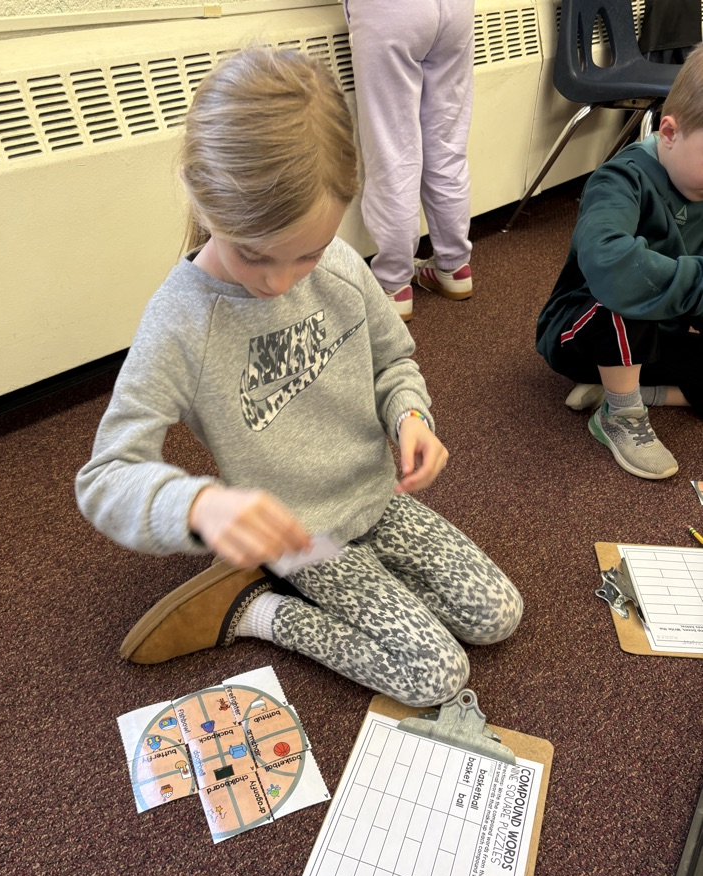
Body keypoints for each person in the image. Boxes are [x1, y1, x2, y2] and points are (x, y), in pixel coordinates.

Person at [75, 47, 522, 708]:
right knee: (436, 675)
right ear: (201, 196)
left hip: (375, 497)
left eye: (305, 255)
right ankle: (253, 610)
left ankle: (309, 588)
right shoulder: (181, 322)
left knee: (499, 614)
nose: (280, 282)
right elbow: (105, 477)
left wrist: (409, 416)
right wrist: (199, 505)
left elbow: (393, 359)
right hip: (300, 532)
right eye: (254, 255)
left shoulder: (338, 263)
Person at [535, 43, 703, 481]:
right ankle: (621, 414)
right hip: (584, 331)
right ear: (670, 132)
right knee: (629, 280)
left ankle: (631, 392)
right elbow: (611, 266)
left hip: (658, 335)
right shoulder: (620, 179)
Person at [345, 0, 475, 321]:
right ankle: (454, 268)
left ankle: (393, 285)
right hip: (457, 10)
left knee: (393, 152)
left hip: (391, 11)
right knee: (447, 145)